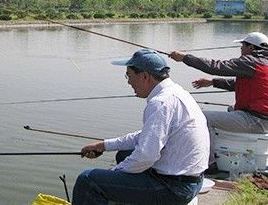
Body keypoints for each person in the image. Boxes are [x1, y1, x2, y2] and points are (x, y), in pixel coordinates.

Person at [72, 49, 210, 205]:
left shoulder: (160, 102)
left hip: (174, 188)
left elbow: (146, 155)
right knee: (124, 154)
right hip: (191, 181)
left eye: (129, 75)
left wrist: (111, 175)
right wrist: (103, 145)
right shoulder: (177, 92)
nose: (128, 81)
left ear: (145, 76)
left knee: (88, 180)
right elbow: (146, 136)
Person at [169, 32, 268, 172]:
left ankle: (208, 163)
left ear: (251, 48)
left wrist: (185, 58)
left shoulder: (250, 61)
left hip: (259, 120)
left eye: (243, 45)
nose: (241, 49)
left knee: (202, 118)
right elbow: (241, 85)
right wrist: (212, 82)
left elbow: (216, 66)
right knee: (231, 109)